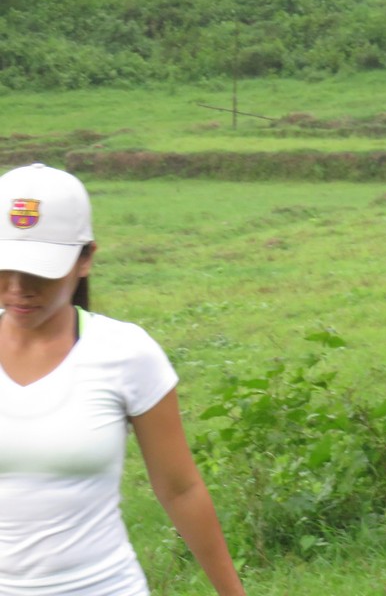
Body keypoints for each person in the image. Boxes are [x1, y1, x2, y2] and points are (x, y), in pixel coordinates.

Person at [0, 163, 245, 596]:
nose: (18, 288)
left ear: (86, 259)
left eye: (40, 271)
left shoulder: (125, 353)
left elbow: (181, 489)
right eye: (6, 268)